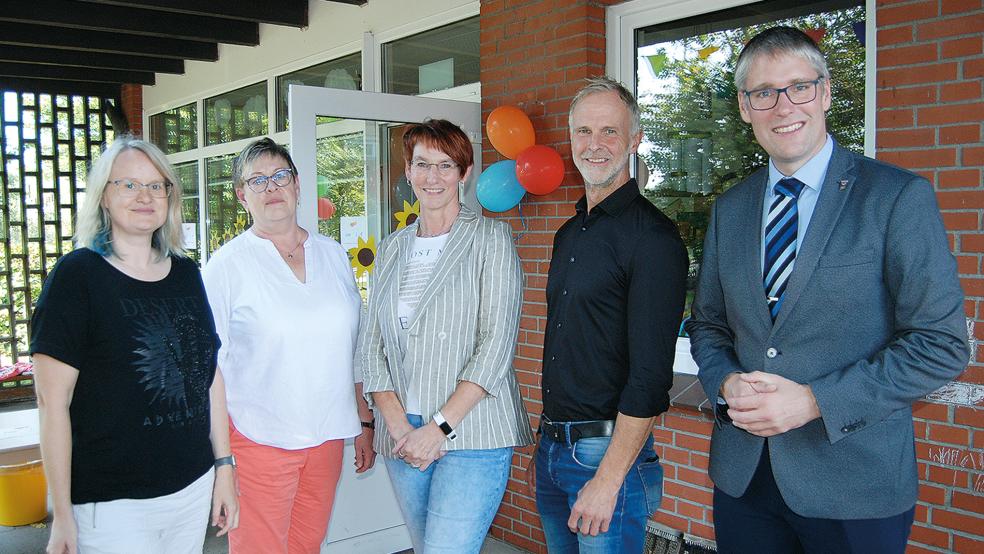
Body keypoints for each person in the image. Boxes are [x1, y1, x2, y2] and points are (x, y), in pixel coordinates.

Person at [686, 26, 969, 553]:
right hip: (745, 477)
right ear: (745, 108)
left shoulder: (895, 197)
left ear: (826, 93)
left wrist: (816, 401)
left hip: (854, 485)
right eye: (763, 93)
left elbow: (941, 344)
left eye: (799, 86)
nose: (783, 105)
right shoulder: (731, 208)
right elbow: (708, 324)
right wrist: (725, 383)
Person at [31, 136, 238, 554]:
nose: (144, 196)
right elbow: (51, 403)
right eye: (128, 185)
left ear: (169, 197)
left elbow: (209, 376)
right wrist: (63, 516)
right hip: (111, 506)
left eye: (156, 185)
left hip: (191, 489)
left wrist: (224, 468)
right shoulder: (77, 277)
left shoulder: (185, 273)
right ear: (104, 197)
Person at [357, 119, 534, 554]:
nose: (432, 177)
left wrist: (437, 429)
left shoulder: (490, 238)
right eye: (422, 164)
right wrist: (397, 424)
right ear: (407, 169)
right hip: (403, 432)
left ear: (465, 171)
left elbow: (495, 345)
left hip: (471, 431)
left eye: (445, 165)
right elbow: (372, 344)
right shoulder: (393, 247)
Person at [532, 77, 689, 553]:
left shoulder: (654, 240)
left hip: (606, 459)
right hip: (554, 448)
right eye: (583, 132)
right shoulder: (569, 234)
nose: (594, 145)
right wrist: (547, 442)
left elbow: (649, 378)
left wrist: (608, 479)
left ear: (635, 139)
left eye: (609, 132)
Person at [202, 138, 376, 553]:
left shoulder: (333, 255)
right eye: (257, 180)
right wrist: (223, 460)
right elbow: (209, 368)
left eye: (280, 175)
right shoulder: (225, 266)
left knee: (307, 546)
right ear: (242, 196)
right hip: (259, 437)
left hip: (327, 437)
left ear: (297, 185)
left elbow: (352, 348)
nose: (271, 187)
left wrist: (364, 420)